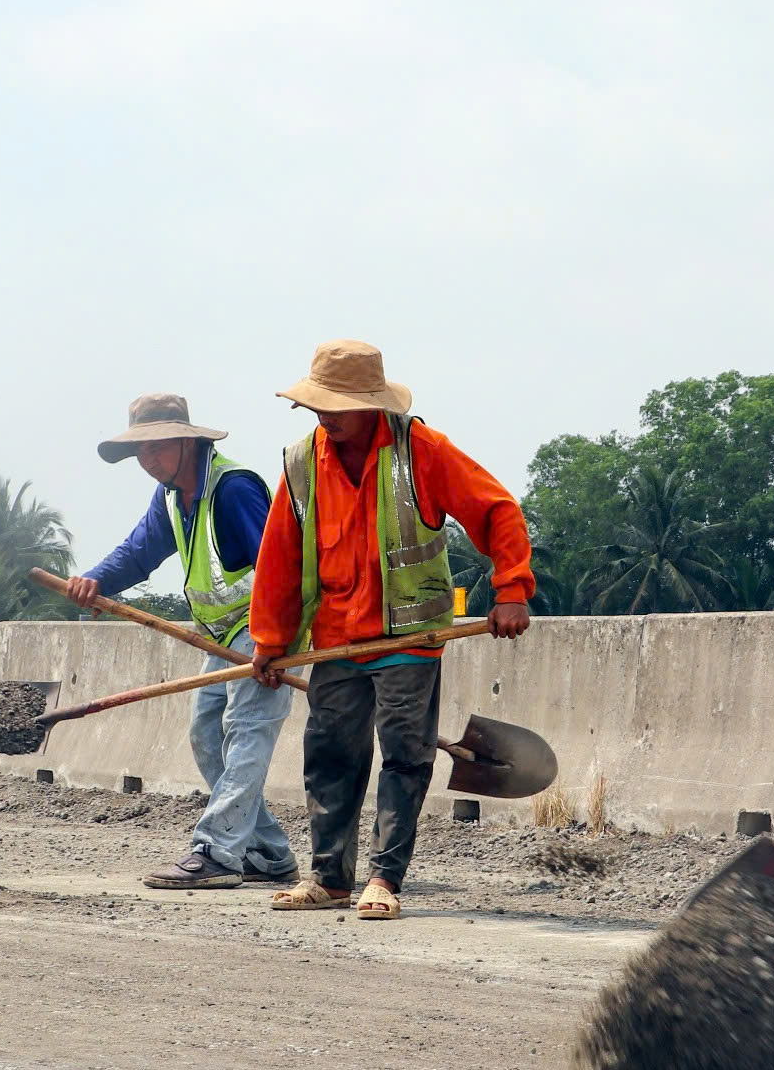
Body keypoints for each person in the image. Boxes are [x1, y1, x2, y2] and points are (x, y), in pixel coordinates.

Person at [247, 340, 534, 920]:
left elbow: (495, 509)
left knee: (404, 753)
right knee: (330, 753)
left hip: (408, 638)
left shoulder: (420, 450)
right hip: (336, 639)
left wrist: (510, 589)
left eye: (337, 404)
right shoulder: (302, 463)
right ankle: (329, 879)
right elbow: (279, 557)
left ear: (373, 406)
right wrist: (271, 643)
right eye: (319, 404)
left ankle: (384, 878)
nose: (324, 414)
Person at [58, 392, 298, 890]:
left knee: (246, 730)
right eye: (140, 454)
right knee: (207, 735)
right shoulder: (170, 496)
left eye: (156, 449)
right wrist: (96, 581)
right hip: (219, 637)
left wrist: (275, 643)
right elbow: (139, 551)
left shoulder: (233, 490)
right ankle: (268, 853)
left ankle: (216, 851)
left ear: (188, 442)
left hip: (264, 632)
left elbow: (280, 570)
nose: (147, 463)